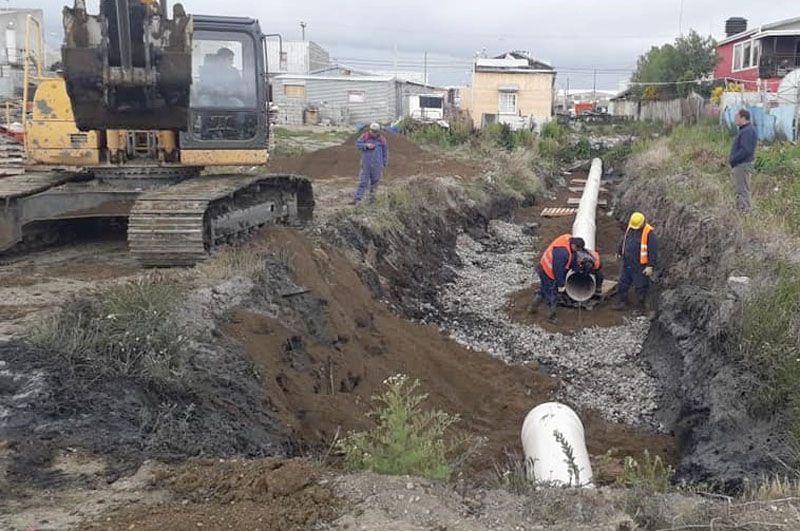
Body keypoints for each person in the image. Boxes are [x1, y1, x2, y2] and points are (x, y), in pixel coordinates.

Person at [531, 234, 586, 323]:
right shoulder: (562, 253)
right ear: (574, 245)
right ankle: (551, 317)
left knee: (544, 289)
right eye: (577, 249)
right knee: (552, 294)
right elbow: (558, 271)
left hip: (547, 268)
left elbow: (573, 255)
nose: (577, 251)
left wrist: (577, 269)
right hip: (547, 271)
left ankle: (533, 307)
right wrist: (561, 284)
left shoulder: (569, 240)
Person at [613, 212, 657, 312]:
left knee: (640, 286)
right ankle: (623, 302)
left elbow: (652, 251)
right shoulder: (630, 228)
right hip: (627, 262)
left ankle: (640, 308)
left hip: (640, 265)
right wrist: (619, 251)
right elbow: (624, 240)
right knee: (623, 283)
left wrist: (650, 266)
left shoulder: (648, 233)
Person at [729, 108, 757, 212]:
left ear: (743, 118)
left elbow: (745, 150)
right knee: (741, 189)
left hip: (742, 165)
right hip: (741, 164)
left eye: (737, 117)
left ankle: (744, 212)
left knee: (743, 190)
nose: (735, 119)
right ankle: (743, 210)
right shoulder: (746, 130)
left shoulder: (748, 131)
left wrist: (733, 159)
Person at [353, 123, 389, 204]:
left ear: (378, 131)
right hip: (366, 164)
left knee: (375, 182)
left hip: (377, 164)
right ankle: (358, 199)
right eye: (372, 131)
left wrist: (385, 162)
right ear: (370, 130)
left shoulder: (382, 139)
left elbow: (385, 151)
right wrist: (366, 145)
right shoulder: (364, 136)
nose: (373, 133)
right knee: (363, 181)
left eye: (375, 131)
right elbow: (358, 144)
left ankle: (372, 200)